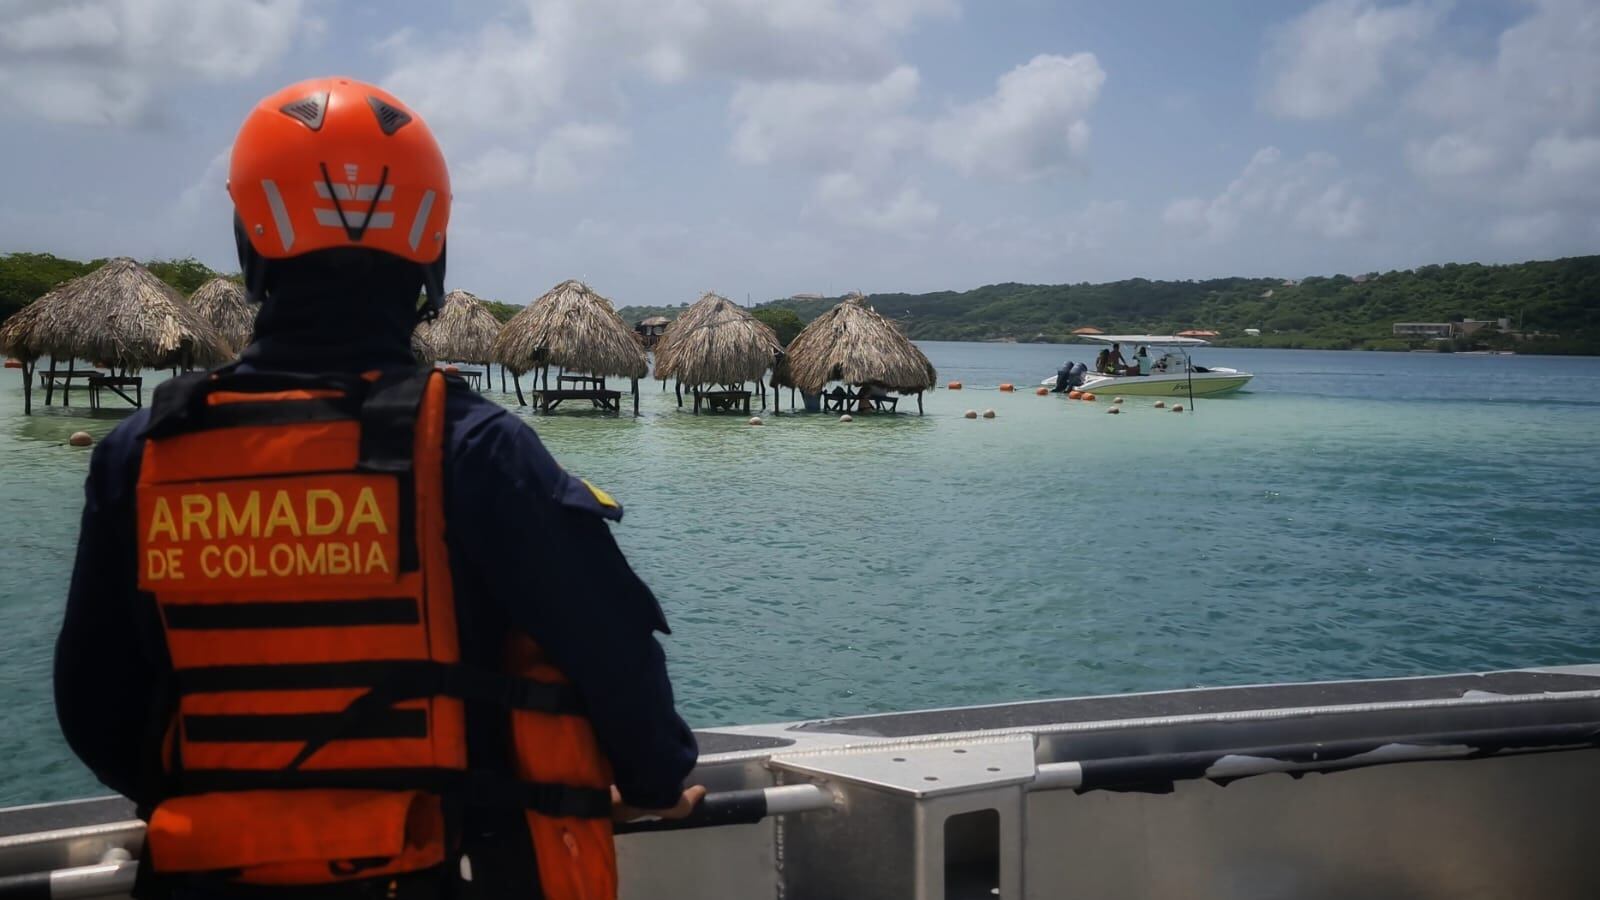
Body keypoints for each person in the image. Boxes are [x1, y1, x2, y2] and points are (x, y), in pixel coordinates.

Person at [53, 77, 700, 900]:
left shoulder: (143, 454)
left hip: (205, 873)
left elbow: (92, 702)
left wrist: (238, 816)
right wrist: (654, 780)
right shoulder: (473, 447)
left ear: (252, 241)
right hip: (427, 872)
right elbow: (614, 655)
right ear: (431, 246)